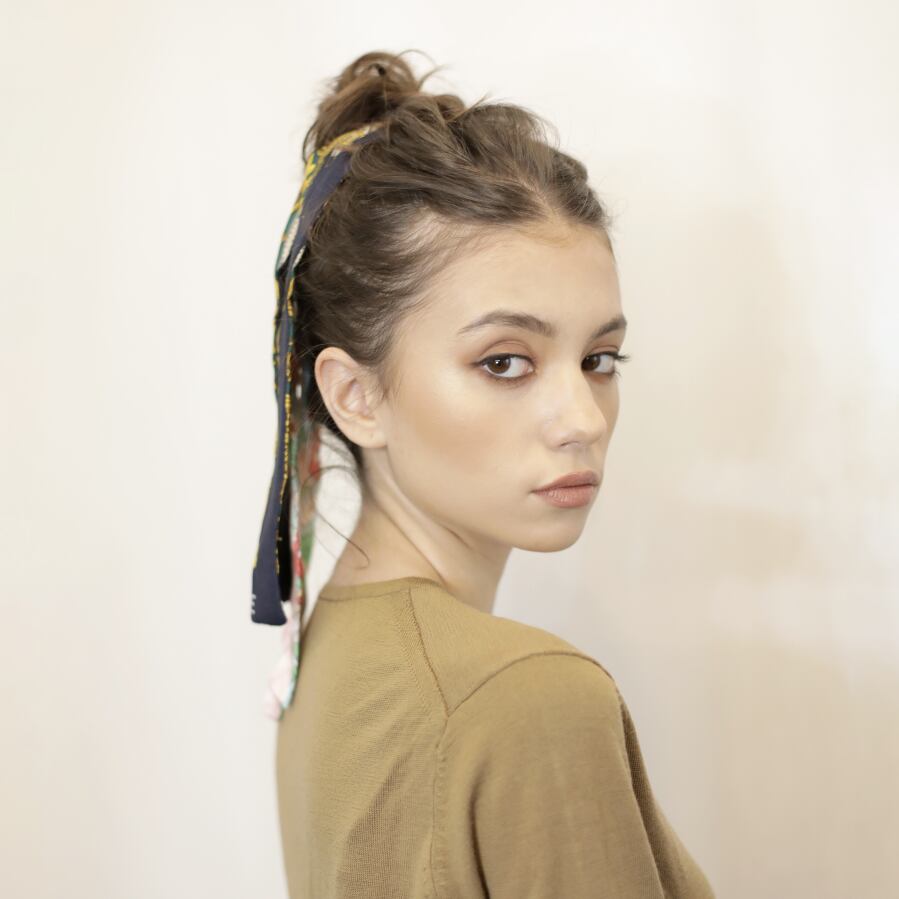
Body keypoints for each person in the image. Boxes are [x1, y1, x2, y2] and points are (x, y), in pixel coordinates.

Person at [255, 48, 716, 898]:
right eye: (504, 361)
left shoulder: (322, 657)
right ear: (356, 395)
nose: (582, 420)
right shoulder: (526, 697)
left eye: (599, 358)